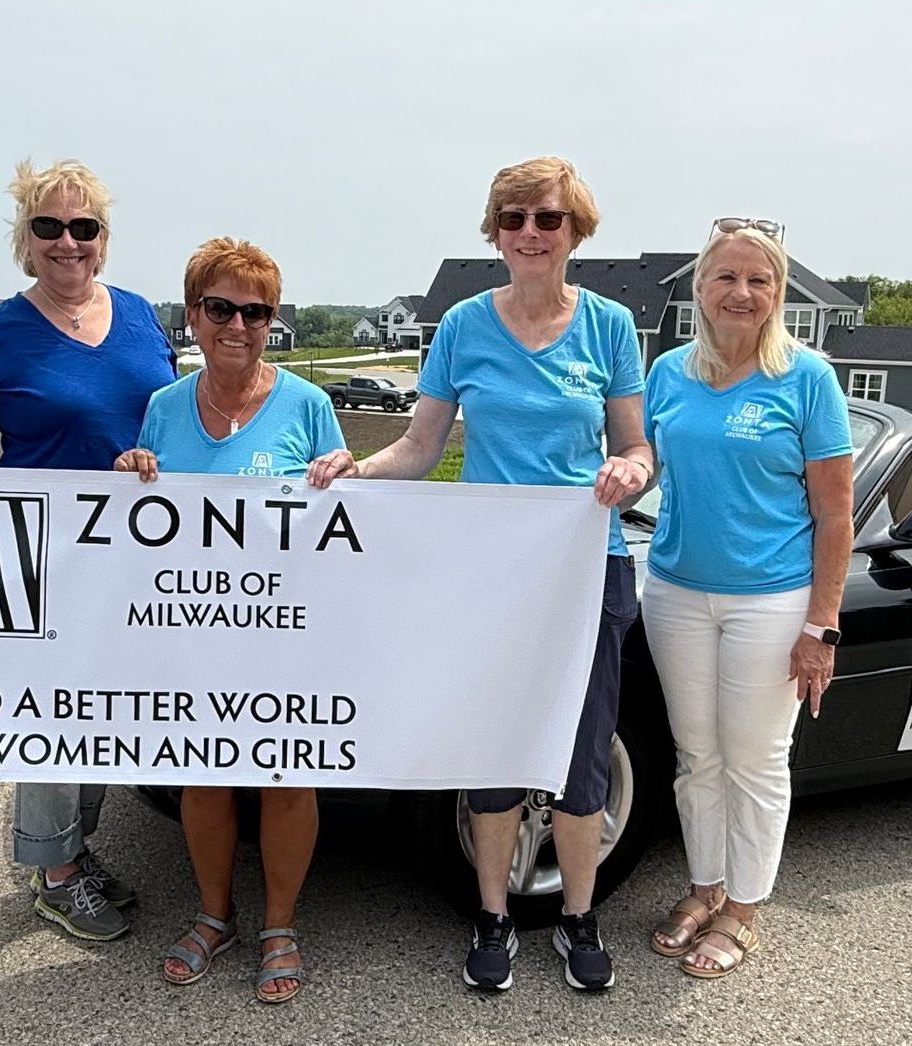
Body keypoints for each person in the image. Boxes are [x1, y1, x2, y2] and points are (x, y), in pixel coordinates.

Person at [309, 156, 651, 992]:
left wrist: (631, 473)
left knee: (581, 756)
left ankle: (577, 915)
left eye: (549, 219)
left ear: (577, 232)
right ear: (494, 231)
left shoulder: (609, 326)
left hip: (584, 569)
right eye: (515, 218)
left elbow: (636, 447)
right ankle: (493, 914)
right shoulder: (462, 323)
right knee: (494, 747)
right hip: (487, 576)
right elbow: (421, 447)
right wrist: (353, 470)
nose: (531, 233)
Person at [0, 158, 176, 941]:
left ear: (103, 239)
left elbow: (166, 421)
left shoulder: (137, 315)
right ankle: (53, 873)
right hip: (45, 555)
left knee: (109, 711)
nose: (67, 242)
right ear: (25, 239)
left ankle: (77, 851)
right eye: (49, 227)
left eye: (83, 227)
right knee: (55, 712)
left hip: (135, 552)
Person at [116, 237, 344, 1003]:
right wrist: (131, 477)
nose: (237, 324)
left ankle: (279, 924)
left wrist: (341, 479)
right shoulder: (162, 408)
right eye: (221, 307)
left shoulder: (309, 406)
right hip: (192, 631)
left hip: (284, 632)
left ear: (271, 320)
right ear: (194, 315)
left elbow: (350, 522)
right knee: (203, 778)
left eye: (255, 310)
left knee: (286, 777)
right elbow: (141, 516)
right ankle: (216, 915)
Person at [641, 220, 853, 979]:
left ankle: (743, 911)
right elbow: (644, 469)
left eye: (759, 280)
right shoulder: (667, 373)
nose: (742, 292)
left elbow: (835, 512)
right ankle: (704, 889)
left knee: (756, 761)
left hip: (770, 600)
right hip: (673, 592)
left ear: (778, 294)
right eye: (726, 277)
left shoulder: (807, 377)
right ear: (700, 288)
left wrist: (821, 625)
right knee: (696, 756)